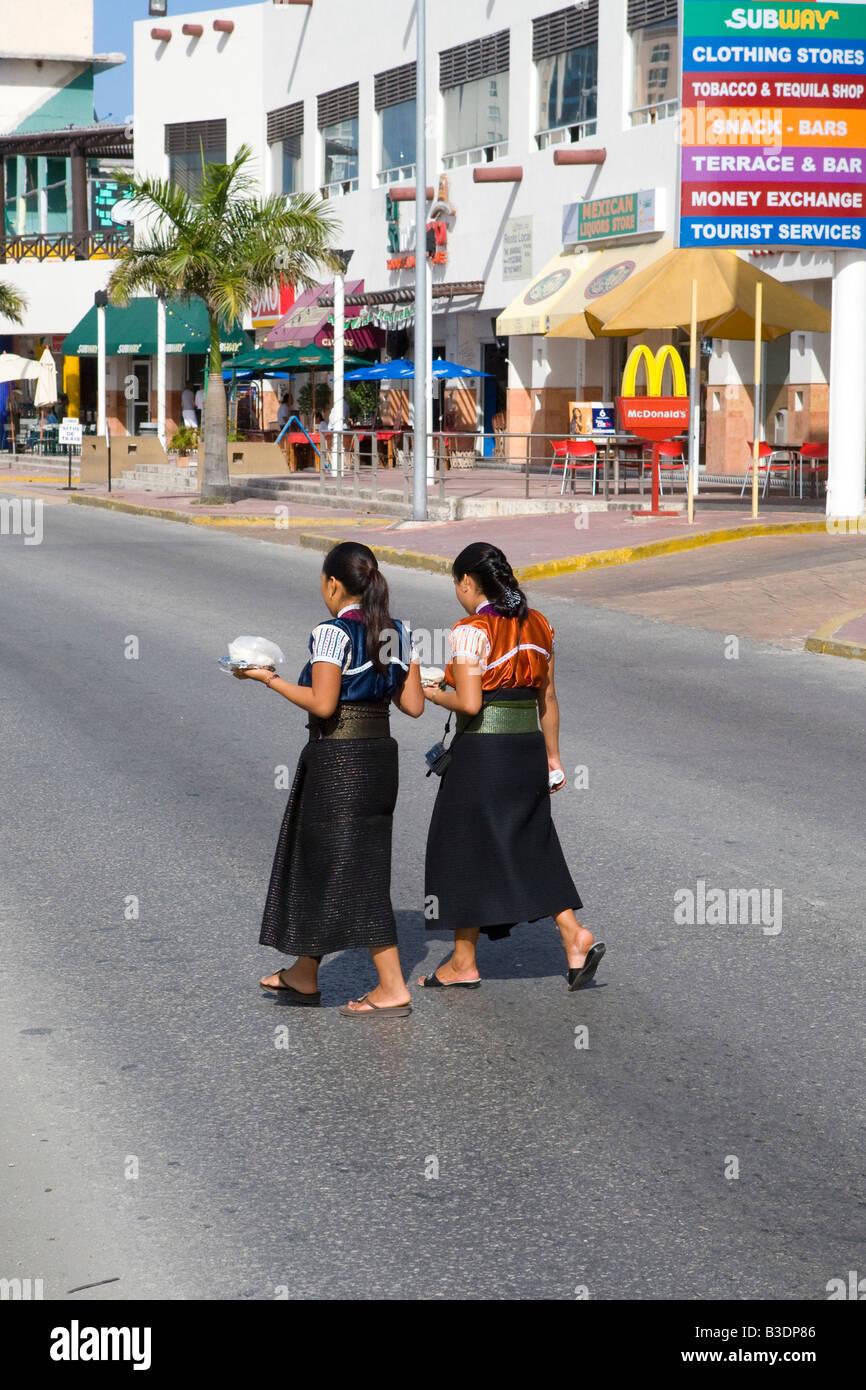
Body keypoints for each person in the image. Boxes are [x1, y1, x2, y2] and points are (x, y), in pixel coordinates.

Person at [233, 541, 424, 1016]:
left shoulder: (332, 633)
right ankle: (303, 972)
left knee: (354, 868)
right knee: (332, 860)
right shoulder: (399, 631)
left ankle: (392, 986)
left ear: (334, 584)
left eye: (323, 582)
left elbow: (323, 704)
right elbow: (414, 706)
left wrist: (267, 678)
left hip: (340, 760)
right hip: (381, 758)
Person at [421, 541, 605, 992]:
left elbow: (469, 702)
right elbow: (548, 698)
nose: (458, 594)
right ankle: (571, 934)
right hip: (527, 749)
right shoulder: (540, 624)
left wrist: (430, 692)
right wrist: (553, 758)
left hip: (483, 753)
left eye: (456, 585)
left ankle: (464, 962)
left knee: (462, 845)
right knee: (528, 842)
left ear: (468, 582)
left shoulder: (470, 629)